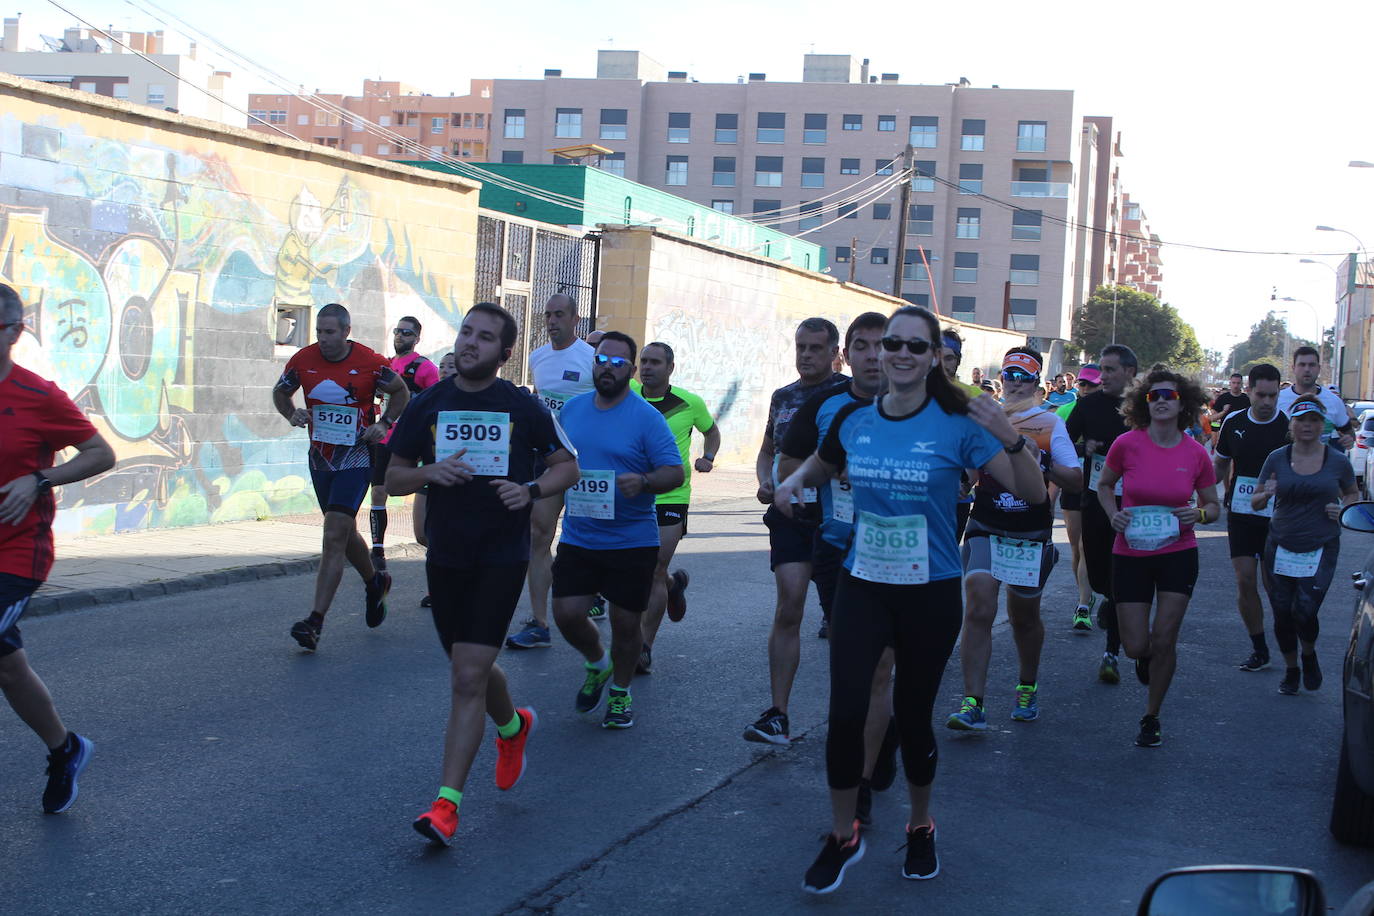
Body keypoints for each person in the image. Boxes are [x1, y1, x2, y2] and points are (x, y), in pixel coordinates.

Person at [777, 306, 1046, 892]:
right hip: (863, 584)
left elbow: (1032, 495)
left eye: (913, 347)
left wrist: (1010, 437)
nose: (897, 354)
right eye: (889, 343)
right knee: (845, 711)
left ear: (932, 359)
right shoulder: (852, 418)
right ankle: (842, 833)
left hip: (928, 593)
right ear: (872, 353)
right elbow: (821, 466)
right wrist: (792, 484)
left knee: (916, 718)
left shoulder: (960, 424)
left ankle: (920, 823)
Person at [388, 303, 578, 847]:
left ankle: (446, 807)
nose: (471, 343)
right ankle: (513, 726)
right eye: (467, 332)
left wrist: (532, 490)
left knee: (467, 676)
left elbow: (567, 464)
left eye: (485, 337)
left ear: (505, 352)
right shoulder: (429, 403)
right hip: (447, 556)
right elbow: (395, 475)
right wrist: (429, 471)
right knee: (469, 666)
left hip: (501, 555)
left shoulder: (522, 406)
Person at [0, 282, 116, 815]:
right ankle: (65, 749)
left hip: (16, 553)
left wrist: (40, 479)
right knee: (6, 665)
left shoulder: (37, 395)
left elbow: (100, 452)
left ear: (14, 333)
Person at [780, 312, 898, 825]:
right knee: (863, 672)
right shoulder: (825, 405)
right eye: (863, 346)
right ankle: (874, 751)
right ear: (847, 355)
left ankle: (866, 780)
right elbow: (790, 469)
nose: (874, 355)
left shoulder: (919, 406)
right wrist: (826, 477)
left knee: (881, 672)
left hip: (900, 550)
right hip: (838, 551)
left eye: (883, 345)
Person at [551, 332, 683, 729]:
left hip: (631, 541)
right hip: (579, 536)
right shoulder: (571, 411)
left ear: (631, 370)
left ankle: (621, 694)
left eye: (617, 363)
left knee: (627, 625)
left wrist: (643, 482)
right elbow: (554, 461)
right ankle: (598, 662)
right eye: (601, 361)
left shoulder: (646, 417)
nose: (607, 369)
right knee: (567, 614)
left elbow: (673, 472)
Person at [947, 347, 1081, 730]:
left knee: (1024, 618)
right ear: (1001, 379)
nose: (1016, 383)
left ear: (1036, 383)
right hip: (986, 524)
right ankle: (973, 702)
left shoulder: (1050, 423)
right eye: (1010, 375)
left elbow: (1075, 479)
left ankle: (1027, 685)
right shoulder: (984, 418)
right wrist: (959, 482)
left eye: (1024, 377)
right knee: (978, 604)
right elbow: (971, 474)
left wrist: (1040, 461)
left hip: (1029, 532)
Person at [273, 303, 409, 650]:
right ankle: (374, 582)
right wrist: (292, 413)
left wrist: (384, 424)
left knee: (333, 533)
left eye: (330, 332)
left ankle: (314, 622)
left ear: (346, 332)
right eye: (319, 331)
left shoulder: (369, 362)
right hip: (321, 460)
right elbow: (280, 391)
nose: (323, 338)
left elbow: (401, 393)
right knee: (343, 532)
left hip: (357, 457)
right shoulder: (303, 360)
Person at [1096, 369, 1219, 748]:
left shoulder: (1195, 453)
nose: (1162, 400)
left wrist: (1197, 515)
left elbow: (1213, 506)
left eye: (1169, 395)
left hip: (1177, 553)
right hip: (1130, 552)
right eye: (1154, 396)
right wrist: (1112, 514)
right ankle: (1143, 658)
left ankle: (1151, 716)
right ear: (1143, 403)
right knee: (1136, 645)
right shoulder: (1126, 444)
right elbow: (1104, 485)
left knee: (1165, 638)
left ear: (1184, 403)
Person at [743, 318, 844, 745]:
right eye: (801, 347)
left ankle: (851, 714)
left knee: (844, 621)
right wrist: (766, 481)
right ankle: (777, 714)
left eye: (815, 348)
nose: (806, 355)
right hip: (791, 517)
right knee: (789, 607)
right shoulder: (783, 397)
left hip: (837, 518)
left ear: (835, 353)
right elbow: (768, 451)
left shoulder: (850, 395)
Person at [1252, 396, 1359, 695]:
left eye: (1313, 420)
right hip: (1281, 544)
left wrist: (1343, 508)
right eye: (1301, 420)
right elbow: (1256, 499)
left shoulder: (1337, 460)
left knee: (1305, 611)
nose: (1307, 426)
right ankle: (1291, 669)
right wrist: (1265, 494)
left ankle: (1308, 655)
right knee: (1282, 612)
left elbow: (1351, 493)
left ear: (1321, 424)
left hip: (1320, 545)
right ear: (1292, 425)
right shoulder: (1276, 458)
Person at [509, 294, 597, 649]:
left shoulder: (591, 359)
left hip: (589, 462)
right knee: (539, 533)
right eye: (547, 315)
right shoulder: (537, 357)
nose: (551, 321)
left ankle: (599, 594)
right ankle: (540, 622)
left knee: (593, 538)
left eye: (559, 314)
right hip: (550, 461)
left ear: (576, 319)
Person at [629, 341, 721, 674]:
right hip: (632, 495)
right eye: (644, 361)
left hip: (671, 495)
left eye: (655, 362)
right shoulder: (628, 397)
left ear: (670, 367)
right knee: (637, 567)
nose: (648, 367)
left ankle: (643, 646)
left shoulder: (689, 402)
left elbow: (712, 433)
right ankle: (672, 585)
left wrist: (708, 457)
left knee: (652, 568)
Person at [1066, 346, 1139, 683]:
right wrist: (1086, 448)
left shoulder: (1145, 407)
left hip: (1135, 503)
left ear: (1129, 372)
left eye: (1110, 370)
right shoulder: (1088, 404)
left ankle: (1113, 651)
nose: (1103, 376)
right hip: (1095, 499)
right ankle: (1108, 600)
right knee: (1097, 574)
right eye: (1101, 370)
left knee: (1122, 575)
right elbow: (1062, 444)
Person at [1212, 363, 1288, 672]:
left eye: (1272, 395)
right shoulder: (1233, 422)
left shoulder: (1288, 427)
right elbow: (1220, 466)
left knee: (1275, 588)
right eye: (1261, 395)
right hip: (1241, 513)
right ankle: (1259, 648)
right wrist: (1200, 492)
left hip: (1278, 518)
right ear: (1249, 391)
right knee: (1245, 580)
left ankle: (1290, 647)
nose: (1267, 402)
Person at [367, 316, 439, 572]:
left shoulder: (425, 368)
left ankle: (438, 545)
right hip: (385, 438)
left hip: (412, 441)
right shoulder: (386, 366)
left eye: (407, 333)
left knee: (422, 494)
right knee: (378, 492)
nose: (400, 336)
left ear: (417, 338)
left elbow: (435, 406)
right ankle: (377, 549)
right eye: (397, 331)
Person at [1059, 365, 1101, 630]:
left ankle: (1083, 605)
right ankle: (1085, 593)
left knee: (1087, 546)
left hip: (1097, 487)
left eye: (1091, 385)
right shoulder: (1064, 411)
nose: (1085, 389)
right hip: (1072, 485)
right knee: (1075, 548)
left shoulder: (1110, 412)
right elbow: (1057, 447)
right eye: (1082, 384)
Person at [939, 329, 982, 542]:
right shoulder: (912, 394)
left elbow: (985, 448)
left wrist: (967, 483)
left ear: (958, 361)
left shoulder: (975, 397)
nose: (943, 364)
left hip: (959, 498)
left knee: (945, 561)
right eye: (938, 357)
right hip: (918, 496)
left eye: (949, 358)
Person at [1277, 346, 1355, 449]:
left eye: (1311, 365)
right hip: (1285, 463)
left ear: (1319, 368)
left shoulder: (1334, 401)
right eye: (1302, 365)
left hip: (1321, 463)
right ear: (1293, 368)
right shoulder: (1278, 399)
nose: (1307, 369)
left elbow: (1349, 432)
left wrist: (1349, 439)